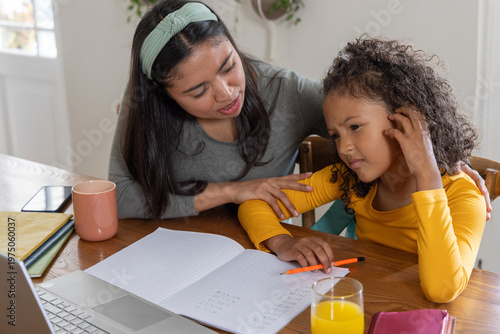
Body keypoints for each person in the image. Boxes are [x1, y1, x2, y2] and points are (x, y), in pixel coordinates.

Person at [109, 0, 491, 225]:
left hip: (259, 255)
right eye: (197, 90)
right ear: (162, 93)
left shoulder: (286, 92)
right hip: (165, 254)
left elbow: (379, 122)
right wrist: (231, 192)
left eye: (229, 66)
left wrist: (445, 158)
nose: (226, 93)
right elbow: (120, 198)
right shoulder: (143, 107)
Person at [238, 37, 487, 303]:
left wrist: (427, 175)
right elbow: (254, 203)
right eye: (335, 135)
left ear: (407, 122)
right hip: (366, 303)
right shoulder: (348, 179)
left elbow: (441, 290)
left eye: (355, 127)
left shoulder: (462, 195)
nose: (344, 147)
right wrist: (281, 242)